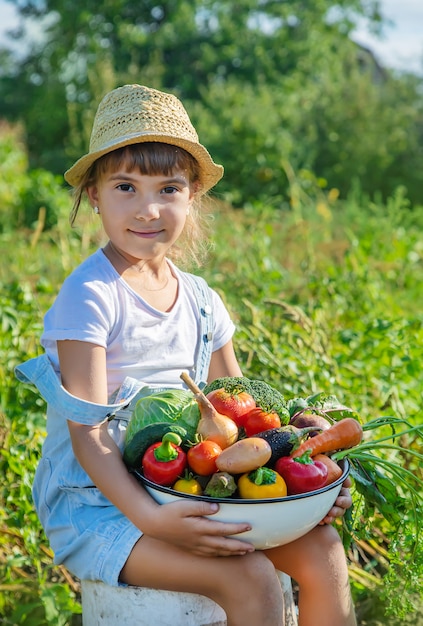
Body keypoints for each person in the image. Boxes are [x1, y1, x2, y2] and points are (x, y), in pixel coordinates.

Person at [16, 84, 356, 626]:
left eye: (168, 188)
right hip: (104, 508)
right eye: (125, 186)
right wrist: (154, 521)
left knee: (323, 551)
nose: (148, 209)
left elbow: (241, 419)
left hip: (188, 491)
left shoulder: (200, 299)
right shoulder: (91, 297)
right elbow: (88, 437)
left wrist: (307, 485)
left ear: (192, 193)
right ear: (94, 194)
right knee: (248, 578)